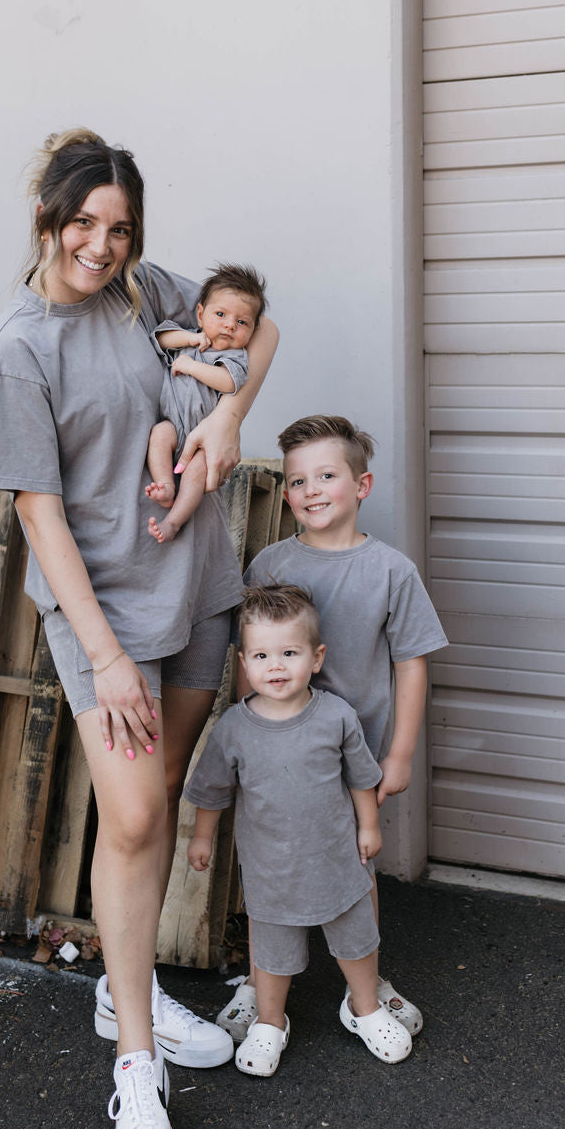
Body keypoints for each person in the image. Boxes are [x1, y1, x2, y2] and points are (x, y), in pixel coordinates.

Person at [0, 129, 278, 1129]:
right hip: (101, 609)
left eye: (120, 226)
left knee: (144, 801)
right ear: (46, 218)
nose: (101, 246)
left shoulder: (146, 291)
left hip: (192, 580)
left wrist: (231, 413)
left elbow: (261, 323)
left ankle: (121, 982)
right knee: (141, 815)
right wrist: (101, 653)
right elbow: (35, 509)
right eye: (83, 223)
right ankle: (134, 1066)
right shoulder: (20, 347)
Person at [216, 415, 447, 1045]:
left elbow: (411, 661)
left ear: (362, 484)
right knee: (266, 865)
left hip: (353, 760)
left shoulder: (391, 570)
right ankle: (262, 985)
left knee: (356, 867)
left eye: (326, 475)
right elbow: (251, 657)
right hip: (273, 757)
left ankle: (363, 989)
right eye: (297, 480)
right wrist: (245, 740)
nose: (311, 489)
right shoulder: (270, 563)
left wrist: (398, 753)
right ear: (286, 493)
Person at [185, 584, 415, 1076]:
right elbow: (212, 789)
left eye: (290, 653)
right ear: (244, 662)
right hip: (272, 871)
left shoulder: (335, 716)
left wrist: (369, 826)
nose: (276, 666)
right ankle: (271, 1022)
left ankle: (365, 1007)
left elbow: (360, 778)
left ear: (316, 657)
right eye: (262, 655)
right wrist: (201, 836)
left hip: (336, 860)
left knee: (357, 939)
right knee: (271, 952)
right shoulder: (234, 729)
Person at [146, 264, 268, 544]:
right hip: (173, 425)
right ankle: (164, 485)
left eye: (242, 322)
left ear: (252, 331)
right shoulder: (187, 338)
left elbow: (227, 383)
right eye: (221, 314)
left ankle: (174, 521)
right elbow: (161, 339)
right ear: (201, 314)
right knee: (159, 435)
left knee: (198, 472)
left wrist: (189, 366)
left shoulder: (235, 358)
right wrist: (191, 338)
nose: (229, 325)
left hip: (202, 440)